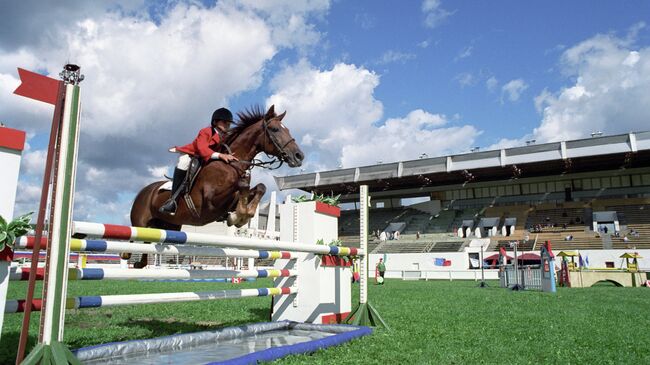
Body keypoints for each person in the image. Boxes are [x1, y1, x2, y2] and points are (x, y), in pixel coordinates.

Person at [159, 108, 239, 215]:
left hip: (209, 158)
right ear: (215, 122)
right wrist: (220, 155)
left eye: (229, 123)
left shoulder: (226, 137)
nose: (227, 125)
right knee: (183, 162)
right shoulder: (206, 131)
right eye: (224, 122)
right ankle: (173, 200)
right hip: (193, 154)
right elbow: (202, 149)